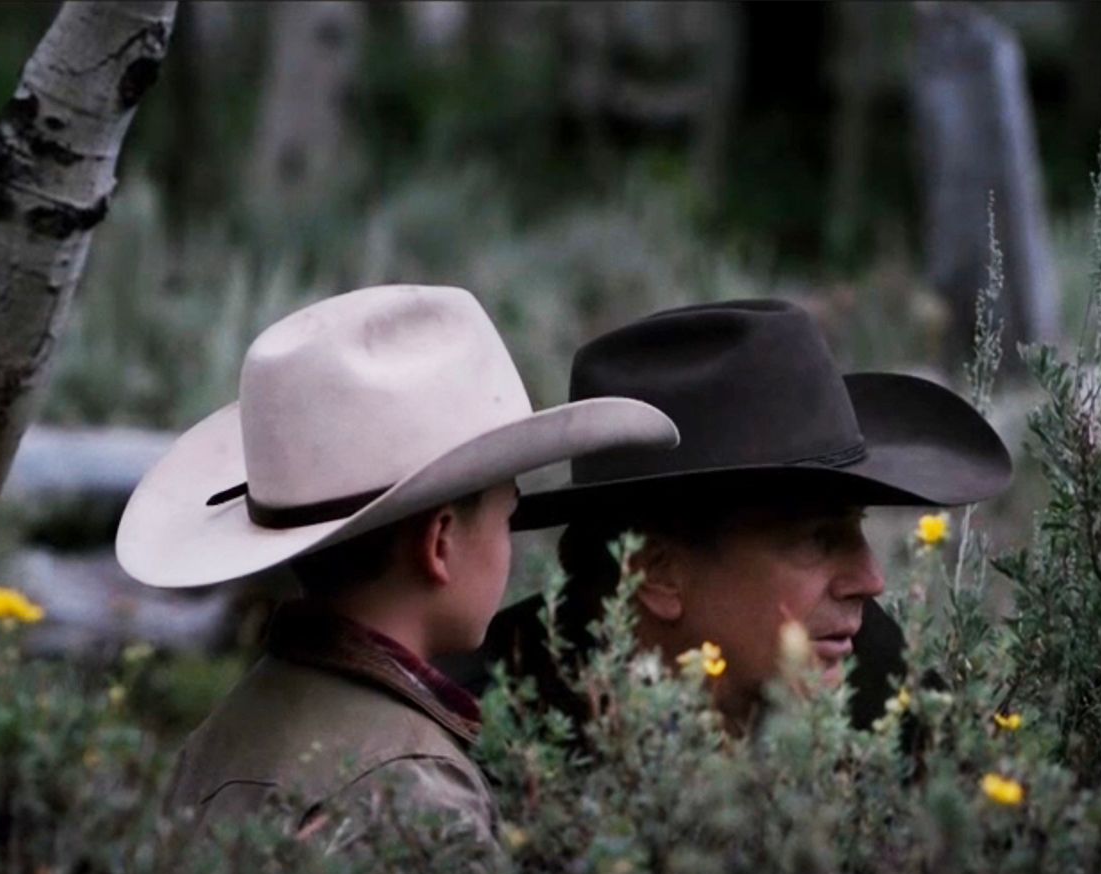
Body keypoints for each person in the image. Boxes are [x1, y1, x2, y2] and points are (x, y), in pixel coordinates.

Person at [114, 285, 678, 843]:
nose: (511, 545)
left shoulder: (223, 732)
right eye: (506, 519)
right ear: (440, 543)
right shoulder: (418, 791)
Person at [449, 299, 1011, 730]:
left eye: (855, 528)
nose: (872, 579)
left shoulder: (870, 672)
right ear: (657, 572)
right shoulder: (497, 744)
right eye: (818, 540)